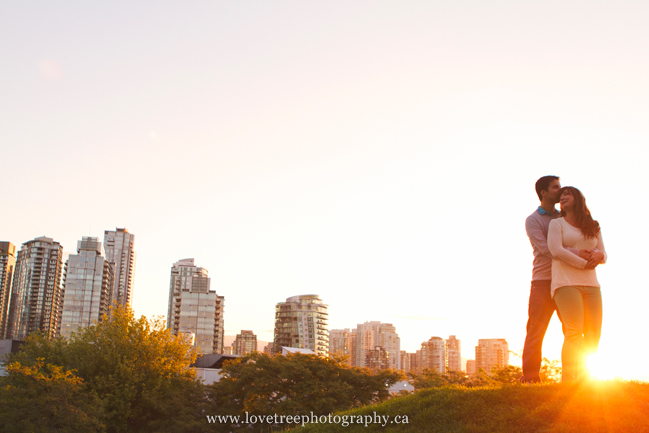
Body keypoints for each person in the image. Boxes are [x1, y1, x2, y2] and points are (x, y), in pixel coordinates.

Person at [521, 176, 589, 383]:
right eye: (555, 187)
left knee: (574, 330)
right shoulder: (533, 220)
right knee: (536, 330)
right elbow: (547, 249)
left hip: (566, 282)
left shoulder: (565, 218)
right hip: (542, 281)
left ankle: (577, 378)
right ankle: (531, 378)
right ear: (543, 192)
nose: (560, 191)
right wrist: (578, 253)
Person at [548, 186, 606, 382]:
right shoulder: (557, 225)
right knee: (574, 331)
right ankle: (568, 380)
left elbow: (604, 254)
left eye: (567, 194)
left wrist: (599, 255)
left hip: (592, 285)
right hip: (565, 283)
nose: (562, 198)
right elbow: (556, 250)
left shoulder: (593, 225)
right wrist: (584, 262)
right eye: (561, 195)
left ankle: (584, 381)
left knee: (593, 333)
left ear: (577, 199)